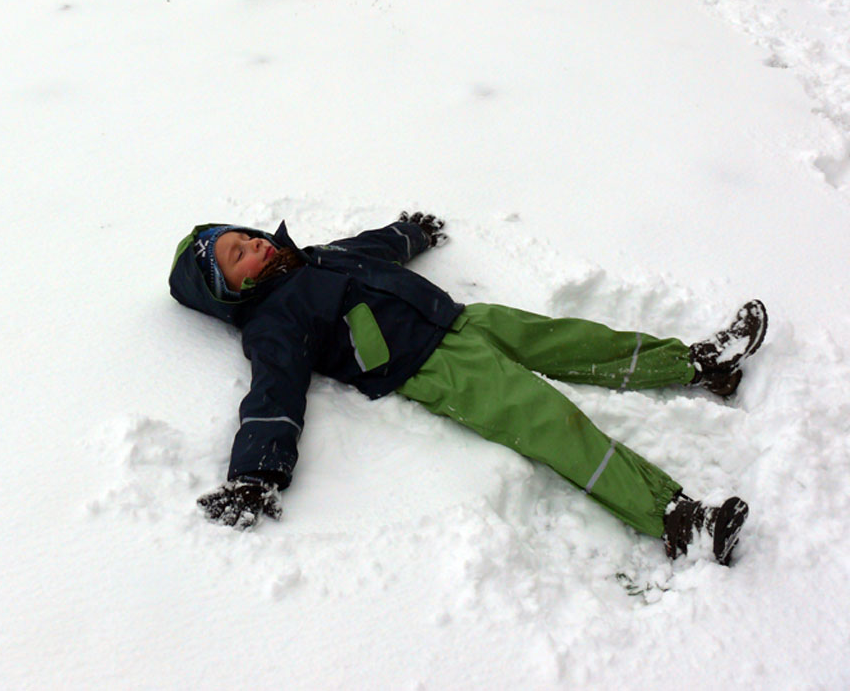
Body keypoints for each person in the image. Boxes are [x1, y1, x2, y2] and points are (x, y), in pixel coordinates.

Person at [168, 213, 766, 565]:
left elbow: (370, 250)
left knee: (574, 340)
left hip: (462, 318)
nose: (254, 245)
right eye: (237, 256)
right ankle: (677, 518)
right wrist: (256, 475)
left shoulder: (312, 256)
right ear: (229, 291)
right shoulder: (275, 321)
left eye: (244, 237)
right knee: (548, 420)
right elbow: (274, 393)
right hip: (433, 367)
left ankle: (695, 363)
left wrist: (409, 234)